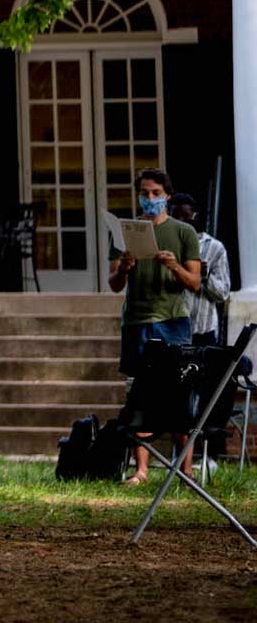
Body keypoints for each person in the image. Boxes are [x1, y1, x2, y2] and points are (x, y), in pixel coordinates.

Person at [110, 167, 202, 485]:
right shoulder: (125, 232)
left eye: (155, 193)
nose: (149, 199)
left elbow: (194, 283)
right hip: (136, 321)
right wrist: (124, 268)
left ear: (167, 196)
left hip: (172, 321)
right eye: (144, 193)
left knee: (178, 391)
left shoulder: (183, 233)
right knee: (139, 394)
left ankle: (185, 469)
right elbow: (113, 283)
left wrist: (174, 265)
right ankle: (142, 470)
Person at [167, 191, 232, 347]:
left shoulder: (214, 248)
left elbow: (223, 293)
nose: (181, 221)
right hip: (170, 329)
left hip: (203, 331)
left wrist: (206, 276)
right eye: (176, 216)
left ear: (195, 216)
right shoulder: (163, 247)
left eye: (186, 216)